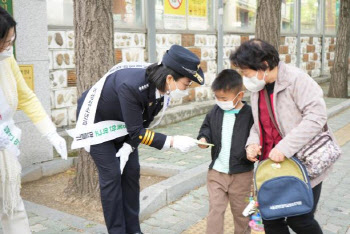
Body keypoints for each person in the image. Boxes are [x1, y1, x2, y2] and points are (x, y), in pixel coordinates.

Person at [74, 44, 204, 234]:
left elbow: (144, 123)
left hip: (124, 124)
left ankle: (134, 229)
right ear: (170, 78)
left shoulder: (162, 90)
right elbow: (137, 131)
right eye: (186, 83)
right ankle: (117, 231)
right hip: (97, 123)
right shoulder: (133, 86)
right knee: (111, 176)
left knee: (132, 172)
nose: (187, 89)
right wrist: (172, 142)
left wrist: (128, 146)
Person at [230, 38, 328, 234]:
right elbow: (259, 125)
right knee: (271, 218)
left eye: (245, 72)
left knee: (299, 219)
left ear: (264, 66)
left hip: (302, 165)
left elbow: (317, 117)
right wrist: (252, 144)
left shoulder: (296, 79)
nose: (244, 77)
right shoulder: (258, 88)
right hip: (271, 166)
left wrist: (284, 148)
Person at [0, 7, 67, 234]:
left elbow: (26, 97)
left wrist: (50, 132)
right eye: (6, 41)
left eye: (12, 40)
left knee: (12, 206)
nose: (9, 46)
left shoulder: (6, 59)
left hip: (5, 150)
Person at [197, 69, 254, 234]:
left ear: (239, 96)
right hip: (217, 172)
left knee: (243, 213)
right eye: (217, 97)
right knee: (215, 210)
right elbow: (206, 128)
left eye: (224, 98)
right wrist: (203, 139)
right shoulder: (214, 112)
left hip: (242, 174)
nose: (220, 101)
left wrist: (254, 148)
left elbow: (257, 137)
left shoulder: (250, 115)